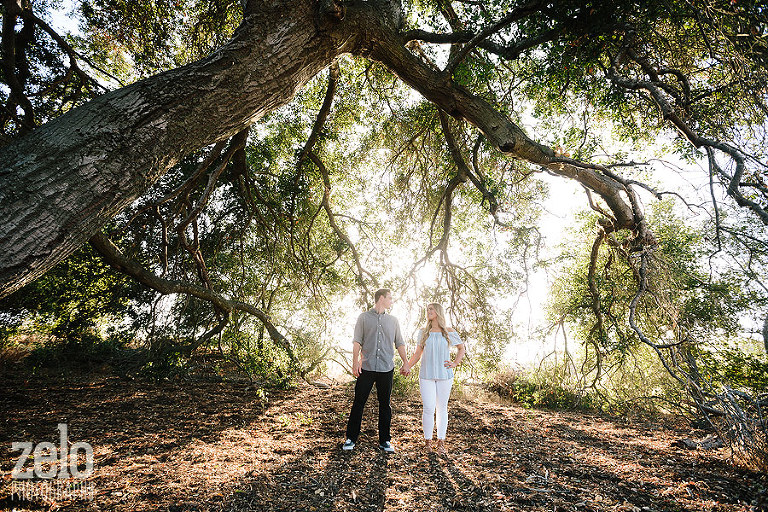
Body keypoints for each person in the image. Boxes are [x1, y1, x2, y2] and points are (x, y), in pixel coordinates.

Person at [343, 288, 408, 453]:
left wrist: (406, 363)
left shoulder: (393, 321)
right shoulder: (363, 318)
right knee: (359, 403)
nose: (391, 301)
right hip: (366, 367)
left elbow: (399, 343)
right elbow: (357, 341)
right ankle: (351, 438)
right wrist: (355, 363)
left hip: (386, 368)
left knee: (385, 405)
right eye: (390, 298)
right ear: (381, 298)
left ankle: (385, 441)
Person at [401, 303, 465, 455]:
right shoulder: (423, 332)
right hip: (426, 375)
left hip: (445, 376)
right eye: (427, 309)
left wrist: (455, 363)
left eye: (431, 309)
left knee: (441, 408)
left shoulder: (449, 331)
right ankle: (428, 442)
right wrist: (407, 366)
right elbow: (417, 353)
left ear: (438, 312)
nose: (429, 312)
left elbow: (461, 348)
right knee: (429, 408)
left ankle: (441, 442)